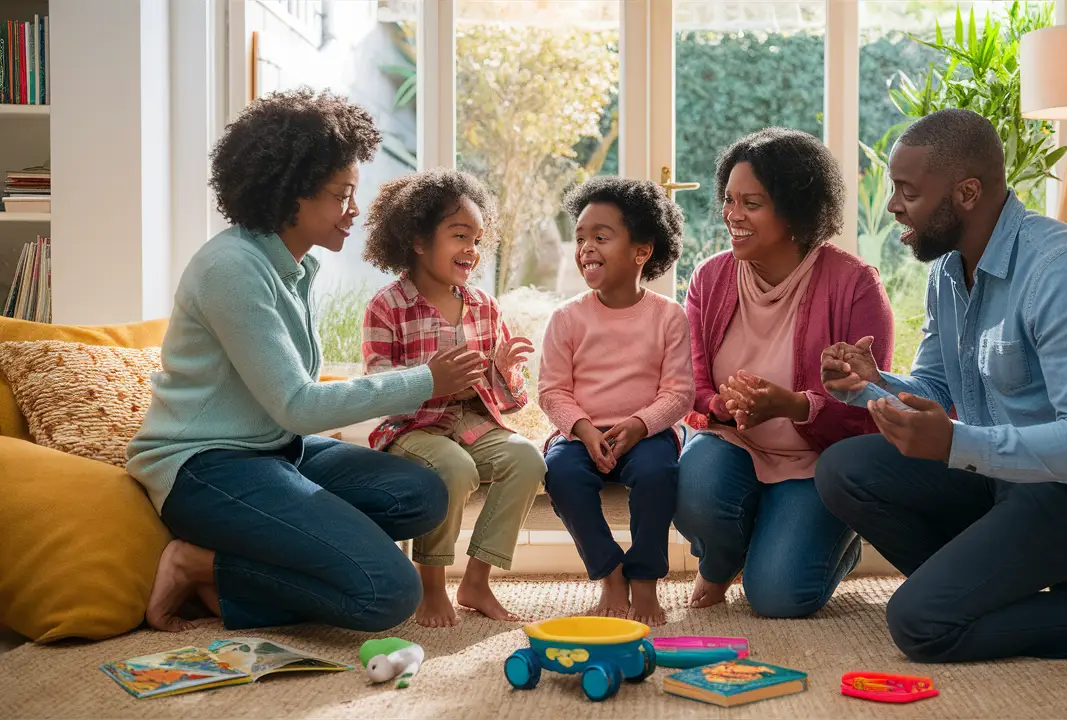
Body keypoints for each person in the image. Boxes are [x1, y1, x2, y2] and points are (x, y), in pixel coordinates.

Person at [815, 108, 1067, 663]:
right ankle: (995, 594)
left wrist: (955, 443)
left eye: (908, 191)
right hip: (1005, 475)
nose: (892, 206)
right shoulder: (947, 273)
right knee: (844, 470)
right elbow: (932, 386)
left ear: (967, 193)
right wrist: (869, 384)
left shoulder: (1065, 270)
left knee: (919, 624)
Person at [125, 88, 481, 633]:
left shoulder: (292, 266)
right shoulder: (233, 270)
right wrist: (427, 381)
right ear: (291, 194)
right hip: (205, 468)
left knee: (422, 494)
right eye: (342, 195)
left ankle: (258, 559)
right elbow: (296, 403)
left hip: (275, 451)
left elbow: (287, 406)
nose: (354, 212)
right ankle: (198, 562)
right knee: (388, 593)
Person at [675, 127, 894, 618]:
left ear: (795, 208)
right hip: (735, 446)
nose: (733, 215)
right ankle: (722, 557)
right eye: (729, 200)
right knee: (694, 479)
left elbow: (871, 411)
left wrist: (792, 405)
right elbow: (688, 377)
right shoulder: (710, 277)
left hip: (816, 462)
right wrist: (720, 405)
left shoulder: (855, 284)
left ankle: (835, 541)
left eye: (752, 203)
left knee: (778, 598)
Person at [360, 169, 544, 628]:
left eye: (478, 239)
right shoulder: (387, 307)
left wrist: (503, 370)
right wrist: (431, 383)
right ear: (418, 240)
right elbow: (379, 391)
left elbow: (508, 400)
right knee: (454, 469)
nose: (472, 250)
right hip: (410, 428)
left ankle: (477, 581)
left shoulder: (484, 305)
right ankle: (432, 585)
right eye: (460, 235)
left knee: (527, 460)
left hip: (472, 419)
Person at [538, 176, 693, 626]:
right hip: (581, 432)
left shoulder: (669, 316)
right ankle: (610, 572)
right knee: (562, 473)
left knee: (656, 472)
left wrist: (640, 425)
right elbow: (552, 391)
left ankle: (644, 581)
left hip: (647, 433)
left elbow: (679, 392)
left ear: (641, 251)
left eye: (601, 237)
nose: (586, 247)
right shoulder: (566, 318)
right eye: (581, 237)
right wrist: (583, 429)